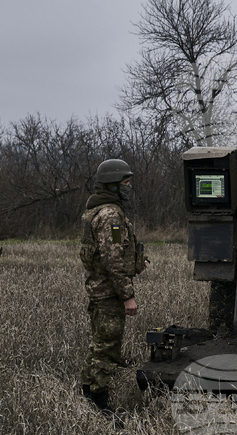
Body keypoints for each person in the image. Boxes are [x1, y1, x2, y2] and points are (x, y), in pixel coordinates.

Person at [80, 158, 148, 421]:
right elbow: (112, 259)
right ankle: (100, 404)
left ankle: (87, 394)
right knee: (108, 348)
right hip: (109, 293)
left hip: (100, 290)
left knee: (98, 344)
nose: (129, 187)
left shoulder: (100, 211)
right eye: (126, 182)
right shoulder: (111, 215)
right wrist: (127, 296)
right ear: (112, 185)